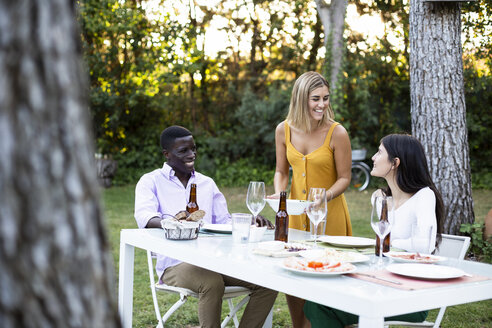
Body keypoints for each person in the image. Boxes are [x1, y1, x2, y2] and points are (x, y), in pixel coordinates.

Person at [134, 125, 277, 328]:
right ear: (167, 154)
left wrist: (249, 220)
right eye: (183, 151)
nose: (191, 154)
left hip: (214, 261)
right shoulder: (151, 181)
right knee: (211, 283)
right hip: (174, 264)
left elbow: (225, 222)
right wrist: (174, 223)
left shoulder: (207, 183)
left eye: (193, 148)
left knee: (268, 282)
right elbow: (146, 218)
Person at [304, 133, 445, 328]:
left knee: (320, 305)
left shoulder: (424, 196)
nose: (373, 158)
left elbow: (425, 245)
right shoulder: (380, 199)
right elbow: (384, 247)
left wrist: (384, 245)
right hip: (381, 284)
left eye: (379, 152)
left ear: (395, 162)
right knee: (316, 300)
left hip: (411, 295)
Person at [271, 71, 353, 328]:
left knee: (327, 278)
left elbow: (345, 178)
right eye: (315, 99)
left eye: (326, 98)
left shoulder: (337, 132)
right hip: (295, 214)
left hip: (329, 214)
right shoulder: (283, 130)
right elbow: (281, 171)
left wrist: (323, 197)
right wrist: (282, 197)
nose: (322, 105)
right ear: (300, 99)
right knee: (293, 274)